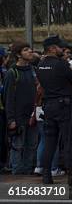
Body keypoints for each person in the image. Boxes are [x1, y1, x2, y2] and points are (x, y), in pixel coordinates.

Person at [36, 35, 72, 185]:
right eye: (60, 47)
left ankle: (46, 175)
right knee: (70, 140)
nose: (63, 49)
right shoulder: (62, 64)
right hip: (64, 106)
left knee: (50, 141)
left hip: (49, 106)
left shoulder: (40, 65)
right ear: (52, 48)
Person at [3, 41, 38, 175]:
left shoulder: (33, 70)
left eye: (29, 49)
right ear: (18, 54)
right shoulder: (12, 73)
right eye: (25, 50)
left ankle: (27, 174)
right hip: (18, 118)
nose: (29, 51)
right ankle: (17, 176)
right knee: (17, 147)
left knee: (32, 146)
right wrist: (11, 119)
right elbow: (8, 98)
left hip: (32, 117)